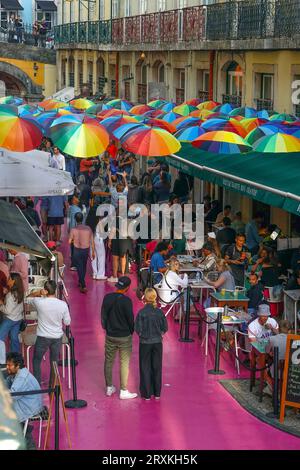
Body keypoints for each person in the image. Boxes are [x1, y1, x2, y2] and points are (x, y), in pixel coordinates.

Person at [27, 280, 71, 387]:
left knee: (37, 360)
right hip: (57, 337)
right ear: (55, 290)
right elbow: (67, 322)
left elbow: (27, 299)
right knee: (54, 362)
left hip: (43, 337)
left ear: (45, 290)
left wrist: (38, 293)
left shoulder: (39, 302)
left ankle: (37, 384)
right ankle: (52, 385)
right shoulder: (63, 304)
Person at [101, 276, 137, 400]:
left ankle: (109, 387)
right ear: (127, 287)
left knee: (109, 361)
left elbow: (103, 316)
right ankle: (123, 390)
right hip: (124, 336)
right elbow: (130, 319)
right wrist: (131, 331)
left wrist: (106, 328)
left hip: (110, 334)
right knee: (124, 363)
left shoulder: (107, 298)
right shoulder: (127, 301)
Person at [135, 288, 168, 400]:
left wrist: (142, 335)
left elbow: (137, 328)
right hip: (157, 342)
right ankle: (157, 392)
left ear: (145, 297)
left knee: (145, 367)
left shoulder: (141, 313)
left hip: (145, 342)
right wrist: (160, 334)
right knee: (157, 367)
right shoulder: (159, 312)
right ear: (155, 297)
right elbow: (165, 327)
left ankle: (147, 393)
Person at [6, 352, 43, 440]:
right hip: (29, 403)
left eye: (9, 365)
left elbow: (11, 396)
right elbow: (9, 381)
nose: (7, 367)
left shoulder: (22, 378)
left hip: (29, 409)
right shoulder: (20, 372)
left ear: (17, 365)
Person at [69, 212, 94, 293]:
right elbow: (92, 241)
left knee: (79, 267)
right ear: (83, 219)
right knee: (83, 266)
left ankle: (82, 283)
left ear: (75, 220)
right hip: (85, 250)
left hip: (77, 250)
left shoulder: (73, 229)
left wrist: (73, 240)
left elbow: (69, 241)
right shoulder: (88, 228)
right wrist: (93, 252)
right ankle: (81, 282)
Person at [0, 273, 24, 353]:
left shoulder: (10, 295)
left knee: (0, 338)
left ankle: (1, 360)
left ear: (13, 281)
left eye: (9, 278)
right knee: (14, 338)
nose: (7, 279)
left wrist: (1, 304)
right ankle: (15, 358)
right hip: (18, 319)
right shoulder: (20, 292)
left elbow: (7, 311)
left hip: (10, 319)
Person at [91, 216, 107, 280]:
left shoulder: (90, 222)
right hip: (98, 239)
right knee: (101, 256)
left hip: (91, 239)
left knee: (93, 256)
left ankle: (95, 273)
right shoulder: (101, 222)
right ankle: (100, 274)